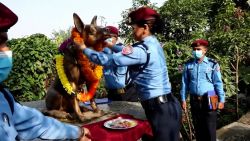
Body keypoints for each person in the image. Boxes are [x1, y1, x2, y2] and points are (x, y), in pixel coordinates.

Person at [73, 7, 182, 141]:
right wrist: (110, 46)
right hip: (167, 104)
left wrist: (84, 49)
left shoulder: (141, 51)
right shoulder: (153, 44)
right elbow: (128, 50)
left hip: (159, 108)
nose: (132, 31)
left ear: (145, 28)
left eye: (133, 27)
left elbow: (105, 60)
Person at [0, 3, 91, 141]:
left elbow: (34, 123)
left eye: (5, 43)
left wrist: (76, 132)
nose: (6, 51)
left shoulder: (4, 97)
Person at [180, 39, 225, 141]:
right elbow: (184, 83)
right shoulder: (188, 65)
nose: (196, 51)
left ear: (205, 50)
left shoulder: (212, 64)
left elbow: (218, 82)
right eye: (194, 49)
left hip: (211, 96)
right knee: (198, 126)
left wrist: (221, 99)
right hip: (194, 98)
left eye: (199, 49)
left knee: (210, 127)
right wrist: (183, 99)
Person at [103, 25, 139, 102]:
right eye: (105, 37)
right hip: (112, 94)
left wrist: (110, 46)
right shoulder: (103, 52)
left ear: (116, 38)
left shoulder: (123, 49)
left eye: (109, 37)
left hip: (128, 92)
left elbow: (124, 52)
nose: (107, 39)